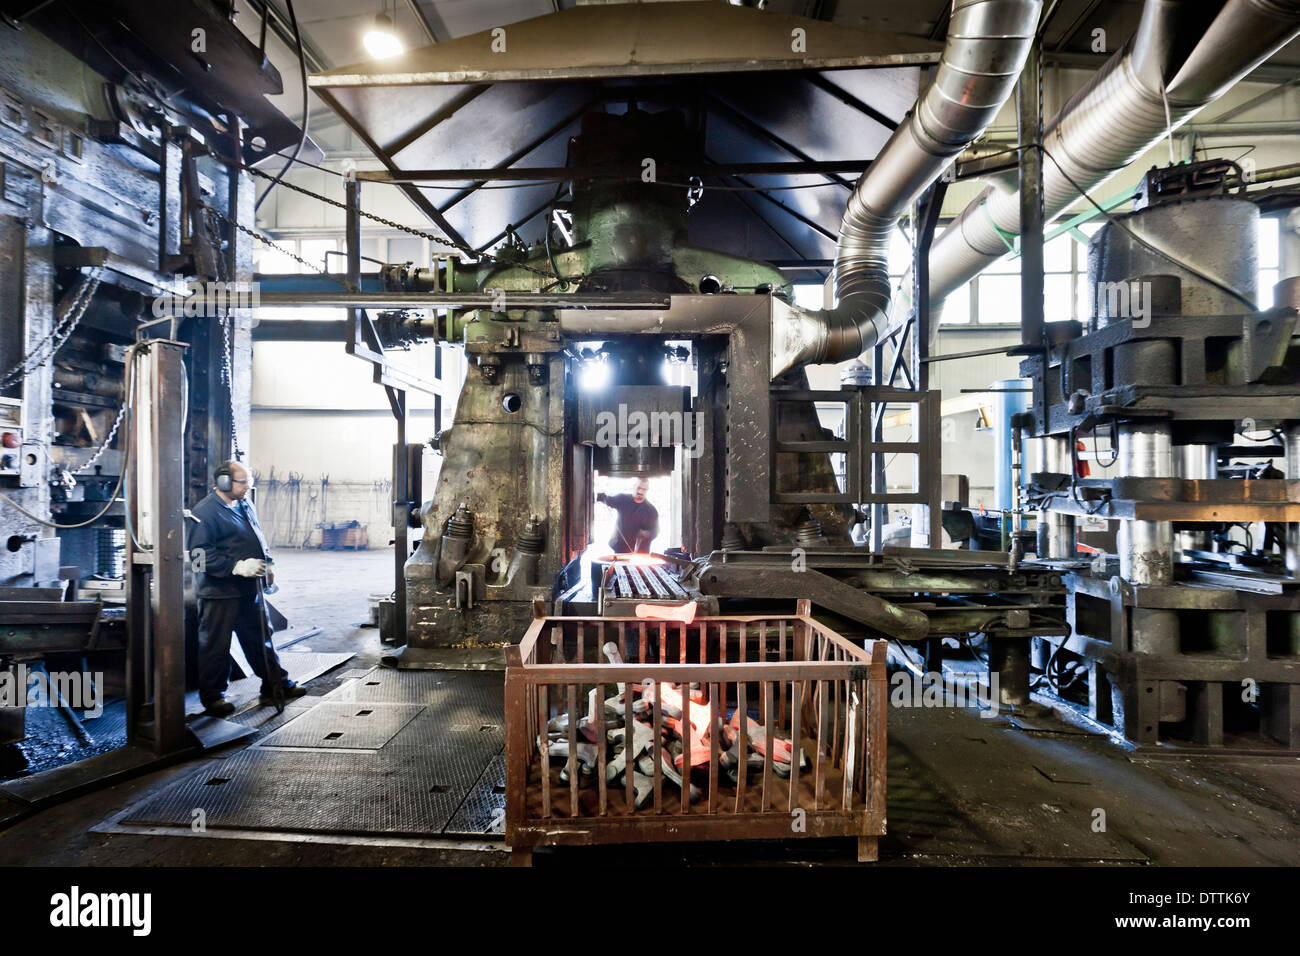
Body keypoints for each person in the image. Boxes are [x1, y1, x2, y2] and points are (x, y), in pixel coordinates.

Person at [189, 461, 305, 716]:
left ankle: (276, 684)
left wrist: (268, 563)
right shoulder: (206, 512)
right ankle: (213, 698)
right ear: (224, 482)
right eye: (242, 482)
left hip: (248, 589)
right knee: (216, 646)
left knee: (260, 637)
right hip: (219, 593)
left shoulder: (244, 503)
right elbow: (198, 556)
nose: (247, 487)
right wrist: (236, 566)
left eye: (248, 482)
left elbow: (257, 535)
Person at [596, 477, 659, 553]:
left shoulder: (651, 510)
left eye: (644, 489)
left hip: (641, 553)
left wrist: (647, 534)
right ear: (634, 487)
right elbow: (607, 499)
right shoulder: (622, 499)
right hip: (620, 549)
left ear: (647, 490)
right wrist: (597, 496)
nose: (640, 491)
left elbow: (655, 531)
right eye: (638, 488)